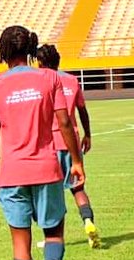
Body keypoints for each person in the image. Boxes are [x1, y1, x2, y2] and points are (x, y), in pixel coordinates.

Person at [0, 26, 85, 260]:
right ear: (29, 49)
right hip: (47, 168)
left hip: (12, 172)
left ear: (3, 51)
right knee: (53, 233)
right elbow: (64, 122)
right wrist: (76, 161)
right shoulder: (48, 78)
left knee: (20, 243)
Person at [36, 44, 101, 249]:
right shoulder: (72, 80)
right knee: (78, 188)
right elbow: (82, 110)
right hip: (71, 142)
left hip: (50, 143)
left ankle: (51, 239)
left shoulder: (40, 82)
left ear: (39, 63)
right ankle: (88, 222)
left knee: (50, 193)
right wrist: (88, 134)